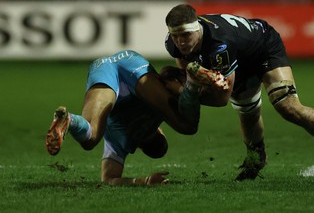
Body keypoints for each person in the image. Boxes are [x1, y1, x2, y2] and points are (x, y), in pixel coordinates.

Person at [164, 4, 314, 181]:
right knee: (248, 113)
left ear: (197, 29)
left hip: (263, 47)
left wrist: (183, 92)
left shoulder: (220, 44)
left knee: (288, 107)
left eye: (186, 35)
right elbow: (188, 69)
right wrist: (191, 82)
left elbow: (220, 99)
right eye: (176, 36)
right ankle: (257, 159)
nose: (181, 42)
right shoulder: (174, 44)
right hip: (239, 58)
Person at [45, 49, 217, 186]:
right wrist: (143, 181)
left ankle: (191, 84)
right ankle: (71, 120)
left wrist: (182, 88)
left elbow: (166, 73)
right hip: (112, 69)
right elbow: (109, 179)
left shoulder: (158, 116)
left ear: (159, 131)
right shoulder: (120, 144)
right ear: (140, 147)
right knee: (90, 138)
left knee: (187, 126)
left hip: (127, 62)